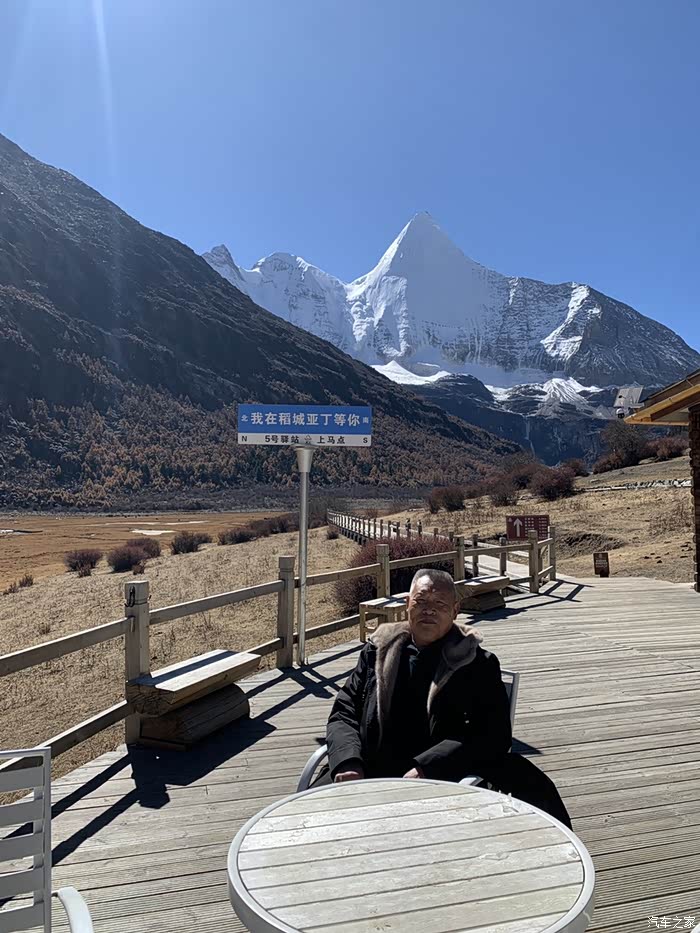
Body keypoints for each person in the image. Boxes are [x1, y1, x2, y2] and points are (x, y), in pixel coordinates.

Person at [316, 567, 572, 828]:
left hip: (441, 774)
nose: (429, 610)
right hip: (370, 768)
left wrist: (428, 768)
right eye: (421, 601)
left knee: (535, 791)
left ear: (455, 610)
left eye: (440, 604)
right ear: (407, 603)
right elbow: (344, 711)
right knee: (307, 813)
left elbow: (493, 734)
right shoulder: (377, 651)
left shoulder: (477, 663)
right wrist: (348, 761)